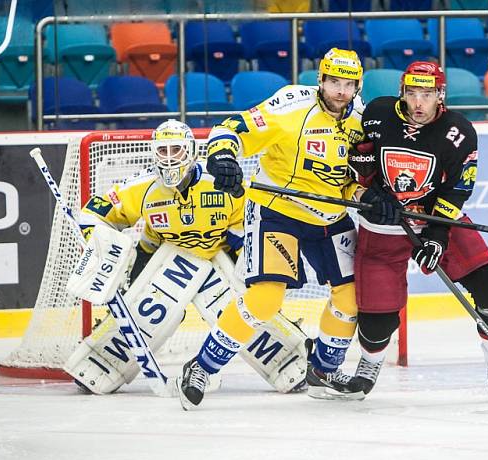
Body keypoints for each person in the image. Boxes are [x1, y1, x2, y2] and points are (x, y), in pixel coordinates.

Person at [348, 61, 488, 400]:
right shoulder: (376, 114)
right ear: (402, 92)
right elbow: (354, 161)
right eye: (412, 93)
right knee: (378, 318)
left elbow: (457, 189)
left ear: (440, 95)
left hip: (435, 218)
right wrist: (369, 188)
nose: (418, 103)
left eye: (426, 94)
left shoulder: (459, 131)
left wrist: (437, 237)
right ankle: (366, 370)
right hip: (383, 222)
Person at [178, 47, 366, 409]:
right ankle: (201, 367)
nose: (340, 91)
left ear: (357, 86)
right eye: (334, 82)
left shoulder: (361, 120)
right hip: (278, 210)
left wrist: (368, 194)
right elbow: (230, 128)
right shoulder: (290, 106)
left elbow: (359, 176)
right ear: (320, 80)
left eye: (348, 84)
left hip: (330, 216)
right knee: (265, 298)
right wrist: (222, 157)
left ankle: (324, 370)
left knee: (351, 296)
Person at [65, 119, 309, 396]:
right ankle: (100, 363)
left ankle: (287, 358)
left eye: (176, 151)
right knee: (148, 313)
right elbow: (91, 214)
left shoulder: (221, 182)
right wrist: (103, 246)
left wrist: (255, 279)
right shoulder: (141, 187)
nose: (169, 159)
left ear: (192, 152)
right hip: (159, 256)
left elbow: (253, 223)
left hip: (220, 255)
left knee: (240, 307)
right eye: (163, 151)